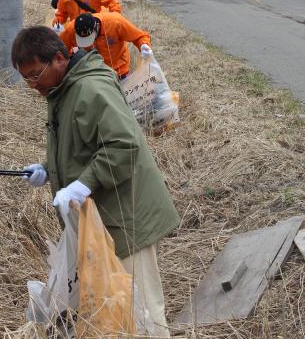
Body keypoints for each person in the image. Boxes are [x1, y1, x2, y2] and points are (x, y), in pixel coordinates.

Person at [12, 26, 180, 337]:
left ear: (60, 58)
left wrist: (81, 184)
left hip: (128, 218)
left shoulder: (90, 89)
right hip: (104, 219)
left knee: (141, 312)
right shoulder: (62, 89)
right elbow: (85, 142)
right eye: (26, 79)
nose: (33, 85)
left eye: (36, 75)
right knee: (115, 308)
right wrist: (49, 169)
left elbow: (124, 146)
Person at [59, 11, 153, 79]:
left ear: (97, 27)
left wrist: (143, 45)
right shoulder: (70, 30)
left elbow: (139, 36)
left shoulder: (115, 22)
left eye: (89, 39)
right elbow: (61, 52)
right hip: (91, 72)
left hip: (119, 70)